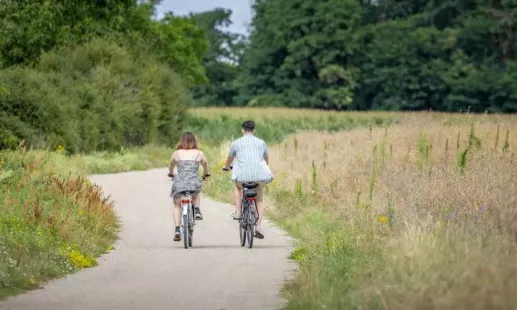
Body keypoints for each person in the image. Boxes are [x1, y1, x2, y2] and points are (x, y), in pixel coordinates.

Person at [223, 120, 273, 239]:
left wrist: (226, 167)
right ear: (254, 131)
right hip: (259, 177)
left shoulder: (236, 143)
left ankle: (239, 212)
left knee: (237, 186)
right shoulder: (261, 143)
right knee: (259, 201)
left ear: (243, 130)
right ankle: (259, 226)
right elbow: (266, 160)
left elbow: (230, 158)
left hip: (242, 177)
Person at [169, 132, 210, 242]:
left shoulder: (176, 153)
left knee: (177, 205)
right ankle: (197, 210)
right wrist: (206, 174)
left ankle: (177, 229)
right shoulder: (199, 153)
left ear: (181, 141)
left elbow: (171, 166)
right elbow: (205, 164)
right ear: (194, 141)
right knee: (196, 193)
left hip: (180, 182)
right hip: (193, 181)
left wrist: (171, 173)